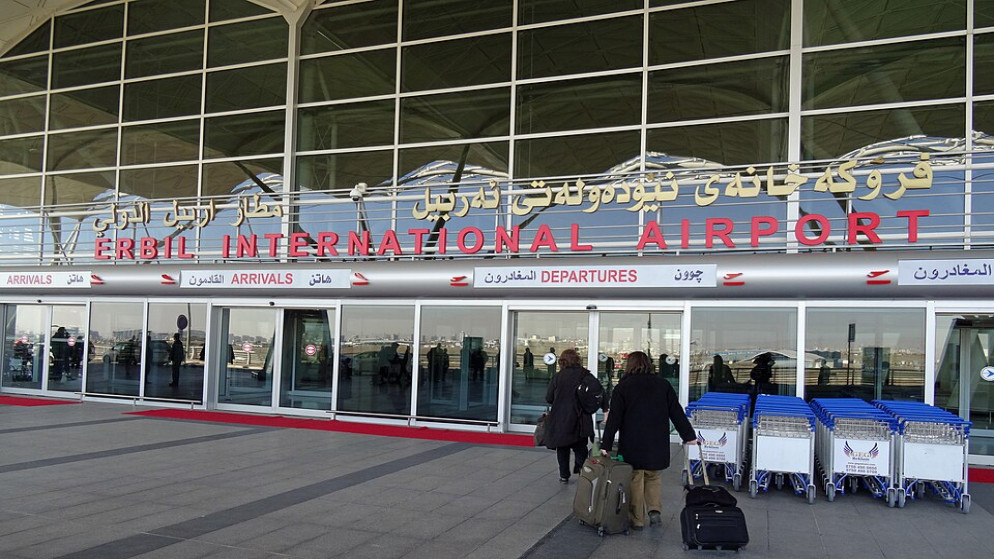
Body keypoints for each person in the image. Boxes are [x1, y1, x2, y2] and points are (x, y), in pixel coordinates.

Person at [600, 351, 697, 530]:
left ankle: (637, 519)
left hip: (633, 442)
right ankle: (654, 511)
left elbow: (614, 419)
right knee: (653, 476)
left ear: (630, 365)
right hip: (656, 442)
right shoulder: (663, 385)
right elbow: (676, 412)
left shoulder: (623, 387)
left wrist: (606, 444)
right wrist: (689, 436)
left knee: (635, 478)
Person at [544, 348, 600, 484]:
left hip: (561, 417)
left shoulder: (558, 377)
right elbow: (597, 390)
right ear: (577, 360)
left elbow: (549, 398)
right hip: (580, 417)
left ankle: (564, 474)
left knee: (562, 447)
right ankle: (582, 471)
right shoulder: (585, 375)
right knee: (580, 447)